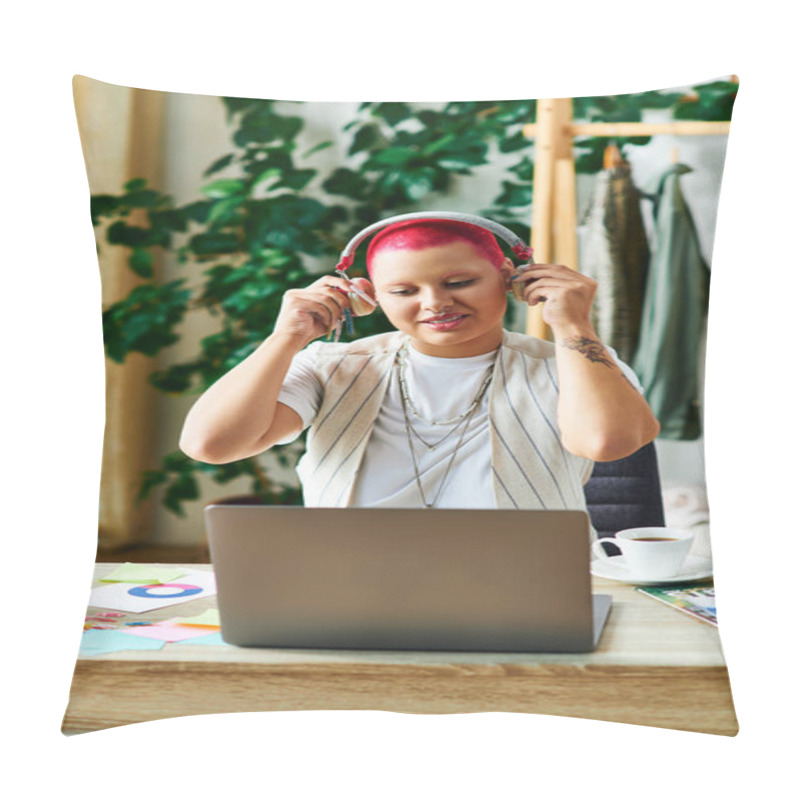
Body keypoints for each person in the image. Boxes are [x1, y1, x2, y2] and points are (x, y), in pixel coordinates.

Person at [180, 215, 660, 511]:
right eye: (404, 291)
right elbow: (210, 444)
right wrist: (286, 337)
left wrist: (574, 326)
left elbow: (607, 442)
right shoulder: (331, 365)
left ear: (510, 279)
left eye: (459, 281)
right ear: (365, 295)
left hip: (523, 589)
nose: (435, 304)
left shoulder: (571, 363)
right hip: (348, 584)